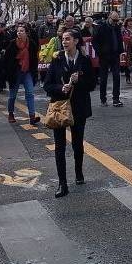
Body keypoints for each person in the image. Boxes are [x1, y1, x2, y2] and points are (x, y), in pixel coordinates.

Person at [43, 28, 97, 197]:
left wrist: (78, 81)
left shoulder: (85, 60)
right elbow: (47, 85)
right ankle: (62, 183)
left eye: (68, 39)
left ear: (76, 41)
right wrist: (61, 87)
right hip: (60, 106)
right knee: (59, 146)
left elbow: (92, 85)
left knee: (77, 142)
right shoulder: (57, 59)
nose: (64, 42)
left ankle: (79, 172)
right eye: (63, 39)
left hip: (79, 107)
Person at [3, 24, 41, 125]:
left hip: (27, 71)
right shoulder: (12, 44)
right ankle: (11, 113)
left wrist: (35, 72)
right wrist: (8, 73)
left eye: (22, 31)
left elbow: (34, 59)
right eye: (18, 31)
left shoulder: (31, 44)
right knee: (12, 95)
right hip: (15, 72)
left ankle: (32, 116)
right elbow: (7, 60)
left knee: (30, 93)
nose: (19, 33)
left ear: (26, 33)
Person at [92, 12, 124, 106]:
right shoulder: (101, 27)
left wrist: (120, 51)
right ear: (109, 18)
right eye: (114, 20)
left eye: (117, 20)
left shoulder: (117, 27)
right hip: (104, 56)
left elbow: (119, 39)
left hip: (115, 55)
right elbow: (94, 41)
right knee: (104, 78)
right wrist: (100, 52)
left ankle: (116, 99)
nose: (115, 22)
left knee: (116, 77)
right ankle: (103, 99)